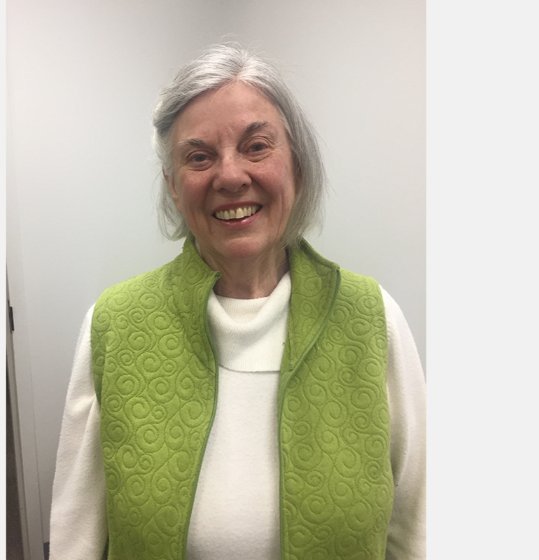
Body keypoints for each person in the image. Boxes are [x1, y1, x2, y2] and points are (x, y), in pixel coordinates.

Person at [49, 42, 425, 560]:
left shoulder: (372, 320)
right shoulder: (113, 326)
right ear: (173, 186)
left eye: (256, 146)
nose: (229, 176)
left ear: (297, 165)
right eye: (199, 157)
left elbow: (418, 528)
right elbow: (76, 539)